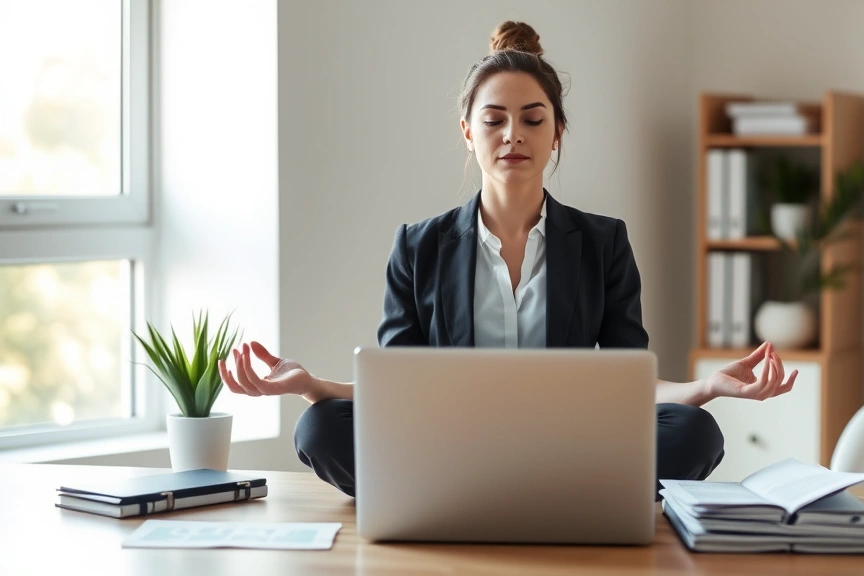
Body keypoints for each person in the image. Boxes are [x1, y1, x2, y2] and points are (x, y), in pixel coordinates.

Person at [219, 21, 797, 499]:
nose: (512, 135)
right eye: (494, 120)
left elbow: (628, 382)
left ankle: (484, 497)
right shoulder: (418, 246)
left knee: (694, 431)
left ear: (558, 133)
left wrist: (708, 386)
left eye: (532, 118)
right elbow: (399, 388)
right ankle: (535, 498)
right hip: (450, 444)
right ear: (468, 132)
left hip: (571, 445)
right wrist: (312, 384)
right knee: (320, 425)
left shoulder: (603, 242)